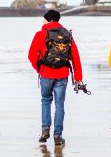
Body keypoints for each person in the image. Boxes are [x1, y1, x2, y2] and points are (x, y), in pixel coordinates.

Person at [28, 9, 83, 146]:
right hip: (62, 75)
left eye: (44, 19)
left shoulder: (40, 34)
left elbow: (31, 55)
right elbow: (75, 57)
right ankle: (58, 136)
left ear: (49, 20)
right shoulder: (67, 35)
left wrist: (40, 70)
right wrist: (78, 77)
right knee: (60, 105)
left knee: (45, 101)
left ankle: (45, 130)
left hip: (46, 74)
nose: (42, 21)